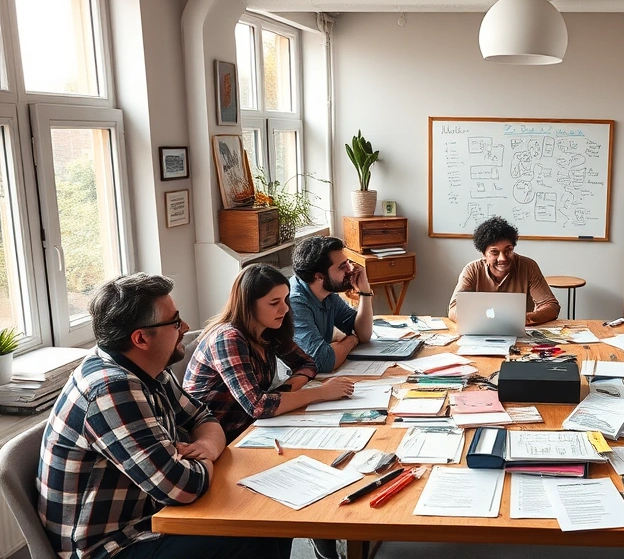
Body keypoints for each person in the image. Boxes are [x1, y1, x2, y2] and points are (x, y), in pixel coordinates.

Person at [37, 273, 290, 559]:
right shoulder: (112, 389)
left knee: (270, 517)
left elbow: (203, 418)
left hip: (152, 517)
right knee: (257, 531)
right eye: (174, 321)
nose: (185, 327)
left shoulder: (147, 366)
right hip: (112, 546)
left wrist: (203, 447)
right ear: (141, 338)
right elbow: (183, 487)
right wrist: (206, 457)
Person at [183, 264, 355, 443]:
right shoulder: (227, 339)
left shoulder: (268, 329)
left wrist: (281, 394)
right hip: (218, 440)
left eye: (285, 299)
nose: (285, 309)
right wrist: (321, 392)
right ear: (248, 305)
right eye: (274, 303)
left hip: (250, 428)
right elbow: (258, 406)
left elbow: (307, 364)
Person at [448, 216, 560, 325]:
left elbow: (551, 306)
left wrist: (526, 318)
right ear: (484, 254)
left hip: (519, 330)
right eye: (494, 252)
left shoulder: (528, 266)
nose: (503, 258)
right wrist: (482, 320)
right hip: (480, 329)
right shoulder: (472, 270)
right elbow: (453, 309)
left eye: (508, 250)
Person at [289, 236, 373, 373]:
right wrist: (351, 340)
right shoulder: (295, 302)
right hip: (291, 383)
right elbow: (324, 362)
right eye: (342, 267)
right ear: (319, 276)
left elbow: (363, 334)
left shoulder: (327, 293)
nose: (350, 269)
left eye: (347, 263)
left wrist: (365, 292)